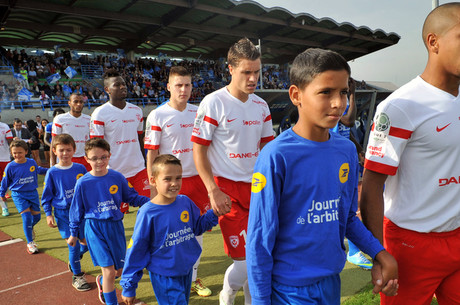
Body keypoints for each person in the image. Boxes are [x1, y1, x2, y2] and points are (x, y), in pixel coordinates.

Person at [246, 48, 398, 305]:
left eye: (343, 92)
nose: (339, 103)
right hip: (289, 291)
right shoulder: (275, 156)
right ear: (296, 95)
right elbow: (260, 240)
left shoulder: (347, 150)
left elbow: (347, 218)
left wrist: (379, 253)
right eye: (325, 92)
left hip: (330, 283)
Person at [361, 3, 460, 304]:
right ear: (434, 42)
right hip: (411, 244)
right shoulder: (401, 106)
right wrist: (378, 253)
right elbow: (372, 184)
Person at [192, 37, 274, 305]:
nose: (253, 78)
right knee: (244, 262)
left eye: (256, 72)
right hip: (227, 191)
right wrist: (212, 190)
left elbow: (269, 151)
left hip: (258, 191)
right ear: (230, 69)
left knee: (259, 259)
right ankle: (226, 296)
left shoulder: (261, 106)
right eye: (246, 72)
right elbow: (199, 150)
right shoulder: (213, 103)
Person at [144, 66, 212, 297]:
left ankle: (193, 278)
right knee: (168, 233)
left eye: (187, 85)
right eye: (179, 85)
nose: (183, 89)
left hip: (197, 181)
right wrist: (153, 185)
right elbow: (151, 153)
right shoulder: (158, 115)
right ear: (168, 87)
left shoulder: (199, 111)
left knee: (198, 232)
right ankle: (163, 272)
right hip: (169, 184)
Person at [120, 154, 220, 305]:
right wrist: (129, 285)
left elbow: (198, 227)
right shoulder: (148, 212)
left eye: (178, 178)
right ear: (153, 181)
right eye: (167, 179)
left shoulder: (185, 202)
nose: (174, 183)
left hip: (185, 270)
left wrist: (215, 212)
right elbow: (137, 249)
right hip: (164, 275)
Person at [68, 138, 150, 305]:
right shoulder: (83, 182)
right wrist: (73, 233)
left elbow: (131, 197)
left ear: (109, 156)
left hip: (115, 227)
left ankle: (101, 283)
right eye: (94, 158)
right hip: (94, 228)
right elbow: (76, 210)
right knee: (109, 272)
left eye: (103, 157)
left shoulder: (117, 177)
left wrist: (152, 201)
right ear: (86, 159)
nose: (99, 161)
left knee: (119, 271)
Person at [90, 69, 149, 214]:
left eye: (123, 84)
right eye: (117, 85)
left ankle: (144, 237)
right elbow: (96, 146)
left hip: (139, 170)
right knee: (117, 215)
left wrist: (146, 162)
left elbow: (139, 139)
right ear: (107, 89)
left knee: (149, 209)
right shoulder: (100, 113)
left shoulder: (136, 111)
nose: (123, 87)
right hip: (114, 172)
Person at [41, 134, 90, 291]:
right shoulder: (52, 172)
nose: (65, 153)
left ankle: (75, 258)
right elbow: (46, 196)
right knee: (73, 244)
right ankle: (77, 276)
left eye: (68, 150)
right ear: (54, 151)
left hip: (82, 212)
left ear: (74, 150)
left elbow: (87, 189)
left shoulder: (80, 168)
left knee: (88, 243)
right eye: (61, 150)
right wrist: (48, 214)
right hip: (64, 213)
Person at [0, 140, 47, 253]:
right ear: (11, 153)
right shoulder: (10, 166)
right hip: (18, 195)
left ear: (26, 151)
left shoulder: (31, 162)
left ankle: (29, 229)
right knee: (26, 217)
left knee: (37, 218)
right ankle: (30, 243)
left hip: (33, 193)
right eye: (14, 153)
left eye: (20, 152)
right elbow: (5, 182)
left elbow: (38, 170)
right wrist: (2, 194)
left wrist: (52, 170)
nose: (17, 155)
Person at [51, 93, 91, 171]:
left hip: (85, 159)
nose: (78, 104)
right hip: (66, 158)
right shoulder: (60, 119)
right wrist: (52, 163)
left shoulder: (89, 119)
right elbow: (54, 142)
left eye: (81, 102)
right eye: (75, 101)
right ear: (69, 103)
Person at [0, 115, 13, 216]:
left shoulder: (5, 127)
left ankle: (4, 194)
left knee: (7, 181)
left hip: (4, 158)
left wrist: (14, 153)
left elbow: (10, 142)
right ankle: (4, 207)